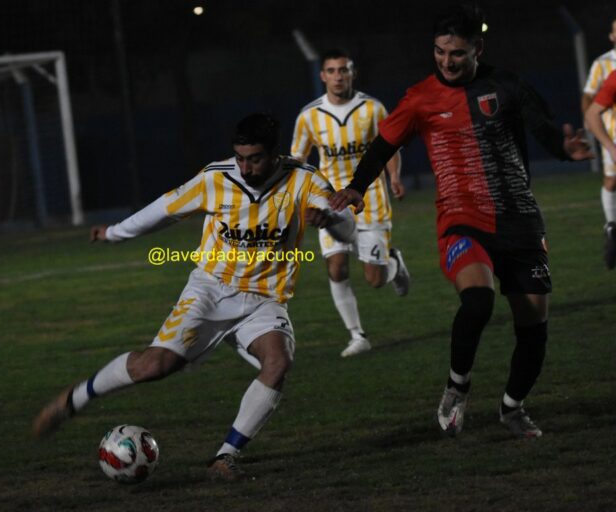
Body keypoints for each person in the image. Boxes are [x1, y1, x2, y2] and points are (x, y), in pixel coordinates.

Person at [32, 113, 355, 480]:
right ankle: (73, 399)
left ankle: (225, 456)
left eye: (255, 159)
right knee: (154, 367)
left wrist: (331, 220)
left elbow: (348, 229)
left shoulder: (304, 179)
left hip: (265, 298)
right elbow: (163, 210)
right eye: (240, 158)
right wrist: (114, 233)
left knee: (278, 362)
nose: (245, 168)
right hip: (210, 290)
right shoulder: (216, 178)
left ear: (274, 153)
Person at [330, 4, 593, 439]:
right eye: (440, 52)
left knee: (533, 329)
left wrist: (565, 150)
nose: (447, 62)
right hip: (462, 217)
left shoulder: (506, 85)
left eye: (457, 53)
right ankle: (457, 387)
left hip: (520, 220)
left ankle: (512, 408)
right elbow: (382, 146)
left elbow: (543, 128)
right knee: (478, 301)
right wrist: (358, 186)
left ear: (478, 48)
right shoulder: (420, 98)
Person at [291, 49, 410, 358]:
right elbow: (298, 160)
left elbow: (390, 147)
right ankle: (357, 335)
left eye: (343, 70)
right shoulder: (308, 116)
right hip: (330, 202)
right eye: (332, 70)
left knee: (375, 279)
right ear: (323, 76)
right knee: (336, 266)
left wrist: (395, 177)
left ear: (352, 73)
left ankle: (394, 265)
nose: (338, 76)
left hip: (370, 199)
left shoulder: (372, 108)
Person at [582, 18, 616, 269]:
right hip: (612, 134)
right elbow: (591, 106)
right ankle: (612, 226)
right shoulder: (606, 68)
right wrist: (609, 146)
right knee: (611, 181)